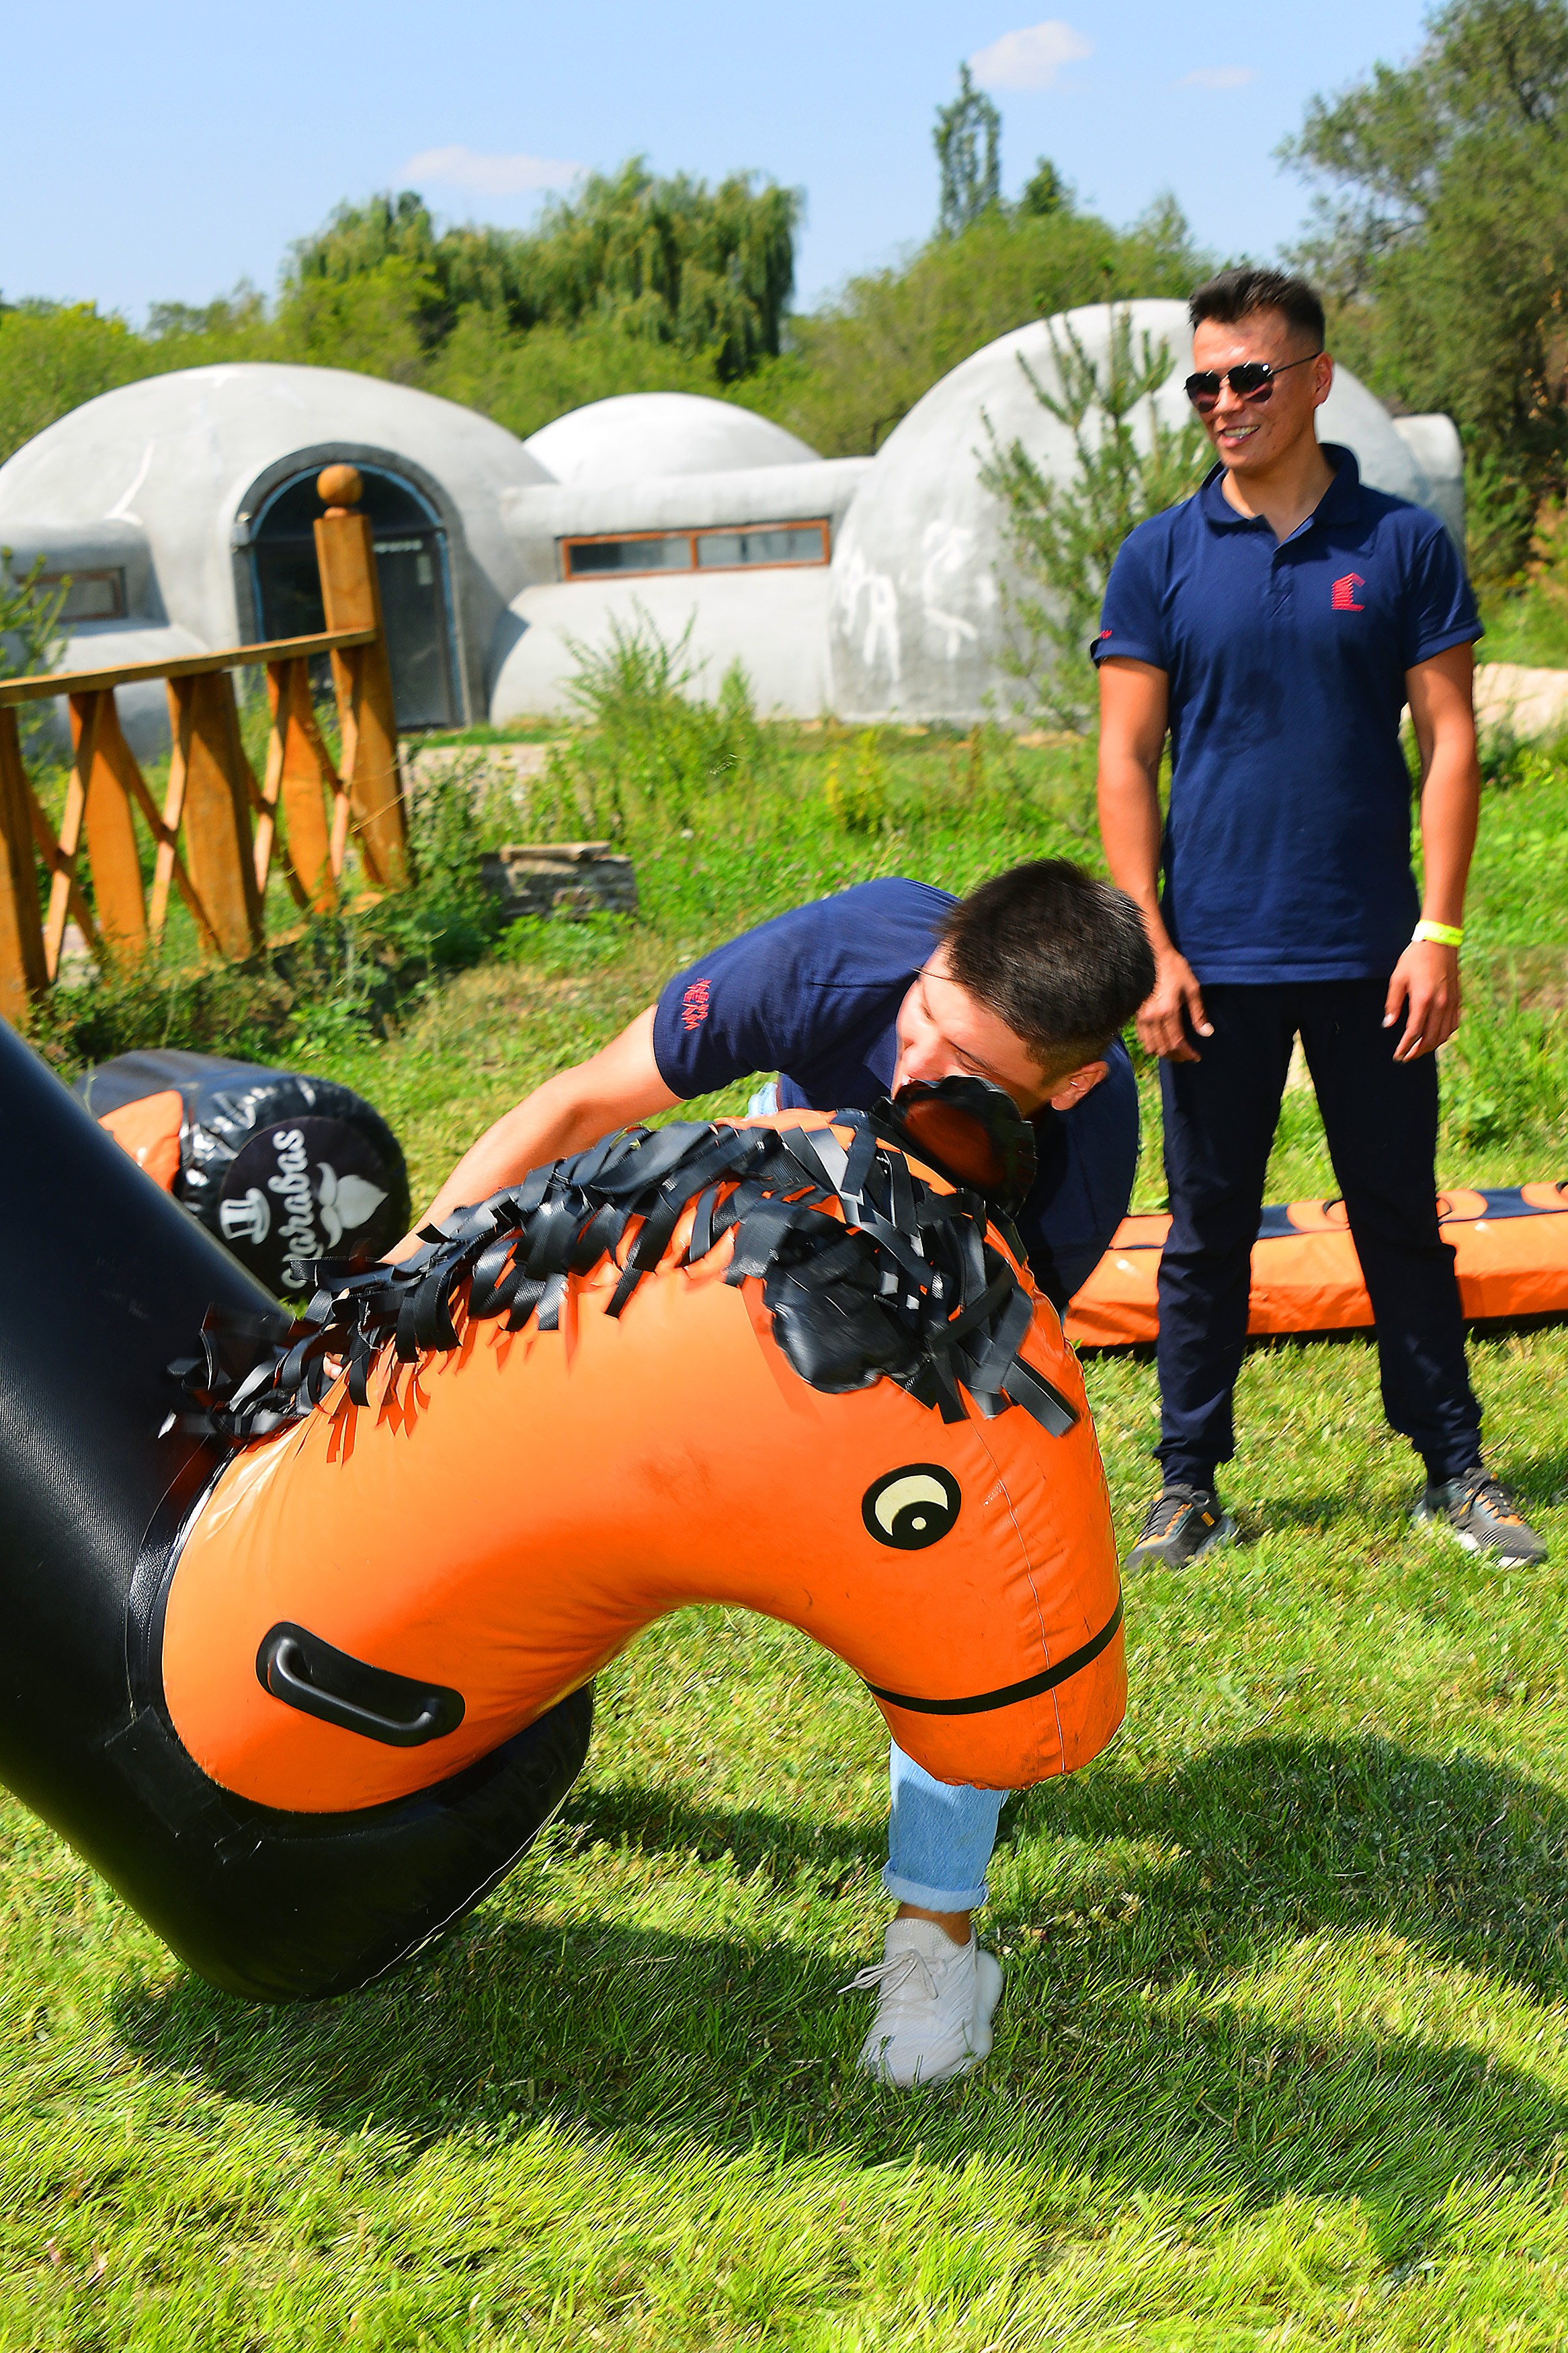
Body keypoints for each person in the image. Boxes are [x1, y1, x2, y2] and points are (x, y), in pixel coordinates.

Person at [394, 860, 1154, 2085]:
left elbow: (975, 1431)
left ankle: (935, 1944)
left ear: (1062, 1086)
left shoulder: (1072, 1172)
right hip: (783, 1178)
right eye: (924, 1018)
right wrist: (400, 1286)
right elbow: (580, 1106)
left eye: (966, 1067)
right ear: (929, 964)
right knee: (575, 1455)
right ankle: (452, 1726)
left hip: (936, 1265)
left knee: (949, 1564)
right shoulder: (835, 962)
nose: (916, 1065)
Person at [1094, 264, 1548, 1577]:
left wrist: (1439, 934)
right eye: (1203, 385)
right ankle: (1187, 1484)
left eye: (1248, 377)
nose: (1223, 403)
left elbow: (1449, 742)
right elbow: (1125, 758)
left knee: (1398, 1214)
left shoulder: (1400, 545)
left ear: (1314, 380)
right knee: (1205, 1230)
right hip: (1209, 959)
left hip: (1370, 953)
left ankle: (1453, 1470)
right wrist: (1149, 948)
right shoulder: (1160, 556)